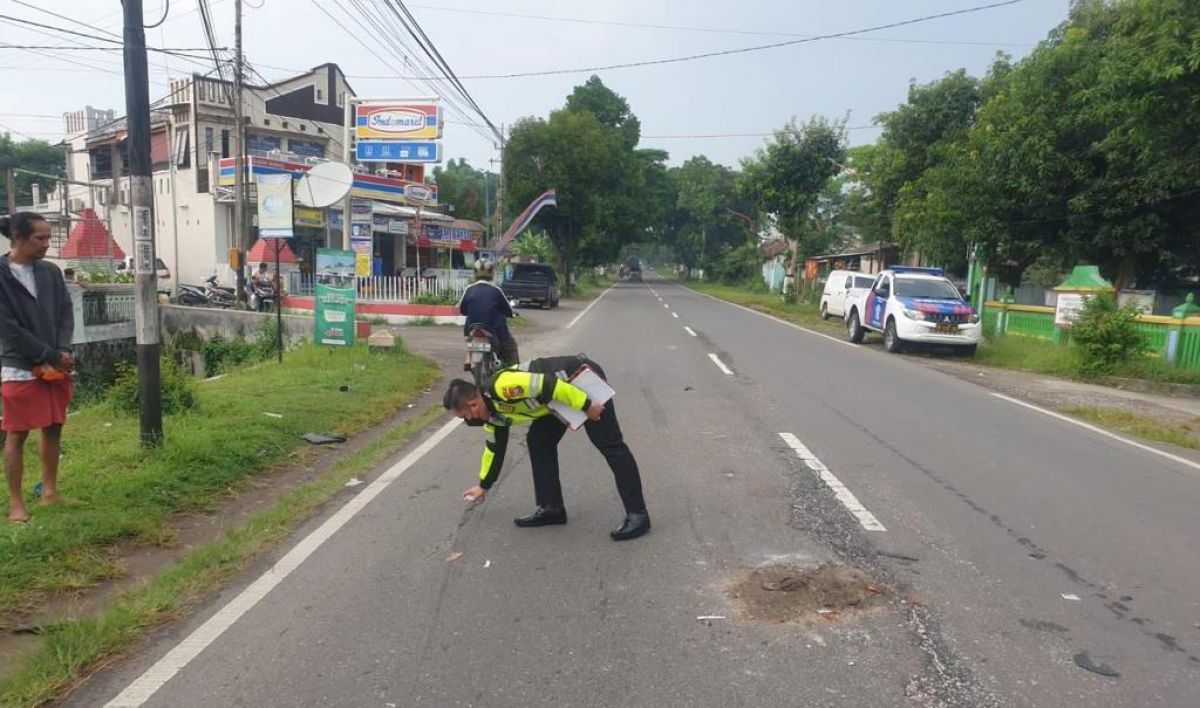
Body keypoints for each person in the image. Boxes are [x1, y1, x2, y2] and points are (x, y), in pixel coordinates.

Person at [443, 355, 651, 541]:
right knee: (539, 442)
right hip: (554, 400)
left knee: (609, 444)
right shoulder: (493, 416)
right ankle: (552, 508)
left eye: (464, 416)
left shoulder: (502, 385)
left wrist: (587, 405)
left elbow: (549, 384)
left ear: (472, 405)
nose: (467, 421)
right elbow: (494, 449)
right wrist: (483, 485)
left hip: (578, 380)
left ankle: (638, 515)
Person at [0, 212, 75, 524]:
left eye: (48, 237)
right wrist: (47, 353)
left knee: (53, 425)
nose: (47, 244)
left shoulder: (50, 272)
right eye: (40, 238)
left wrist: (63, 349)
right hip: (18, 364)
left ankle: (50, 491)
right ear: (18, 237)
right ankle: (16, 503)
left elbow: (64, 312)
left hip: (56, 362)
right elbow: (7, 327)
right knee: (16, 434)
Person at [458, 259, 519, 365]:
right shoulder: (496, 290)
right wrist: (512, 314)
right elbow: (508, 310)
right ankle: (515, 373)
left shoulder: (469, 289)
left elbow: (462, 310)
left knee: (468, 330)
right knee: (511, 348)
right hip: (493, 330)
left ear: (475, 273)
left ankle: (469, 357)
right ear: (492, 273)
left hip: (471, 330)